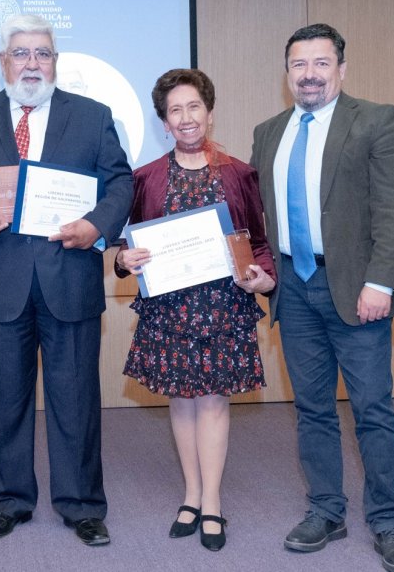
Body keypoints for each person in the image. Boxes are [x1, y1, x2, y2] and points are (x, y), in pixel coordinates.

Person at [0, 14, 132, 546]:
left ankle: (82, 504)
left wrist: (96, 225)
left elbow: (119, 183)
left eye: (42, 53)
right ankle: (8, 501)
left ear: (55, 60)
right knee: (3, 398)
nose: (31, 63)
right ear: (4, 60)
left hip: (69, 276)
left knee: (76, 399)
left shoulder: (92, 116)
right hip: (2, 279)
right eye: (20, 53)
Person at [250, 24, 394, 572]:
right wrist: (263, 271)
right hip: (293, 292)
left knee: (372, 409)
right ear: (287, 73)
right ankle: (326, 510)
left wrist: (381, 281)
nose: (310, 74)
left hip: (355, 288)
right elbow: (265, 218)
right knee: (313, 410)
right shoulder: (269, 132)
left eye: (321, 63)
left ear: (341, 69)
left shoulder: (376, 120)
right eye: (299, 64)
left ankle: (389, 519)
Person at [115, 69, 276, 551]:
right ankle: (189, 493)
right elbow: (129, 245)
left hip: (224, 306)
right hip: (169, 307)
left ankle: (212, 502)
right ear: (164, 122)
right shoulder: (144, 178)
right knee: (181, 402)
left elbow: (260, 244)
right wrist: (124, 259)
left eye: (194, 108)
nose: (185, 119)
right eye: (174, 111)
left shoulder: (239, 173)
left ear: (209, 112)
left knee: (212, 402)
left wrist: (260, 276)